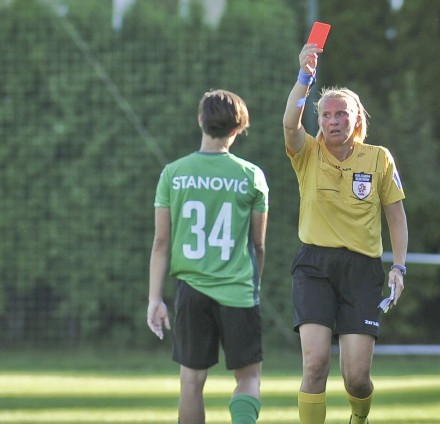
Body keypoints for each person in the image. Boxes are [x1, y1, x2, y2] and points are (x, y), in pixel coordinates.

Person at [282, 42, 408, 424]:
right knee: (315, 364)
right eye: (326, 115)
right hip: (314, 267)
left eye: (341, 114)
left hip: (362, 270)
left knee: (357, 378)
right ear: (318, 120)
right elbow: (290, 122)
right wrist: (305, 77)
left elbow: (397, 216)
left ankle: (359, 416)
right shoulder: (306, 153)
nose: (333, 120)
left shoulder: (378, 158)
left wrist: (398, 268)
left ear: (356, 119)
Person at [147, 89, 269, 424]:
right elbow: (258, 245)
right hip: (239, 291)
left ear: (201, 120)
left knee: (191, 381)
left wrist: (154, 298)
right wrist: (251, 284)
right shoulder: (251, 176)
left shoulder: (174, 173)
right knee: (248, 378)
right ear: (236, 129)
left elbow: (161, 242)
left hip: (192, 291)